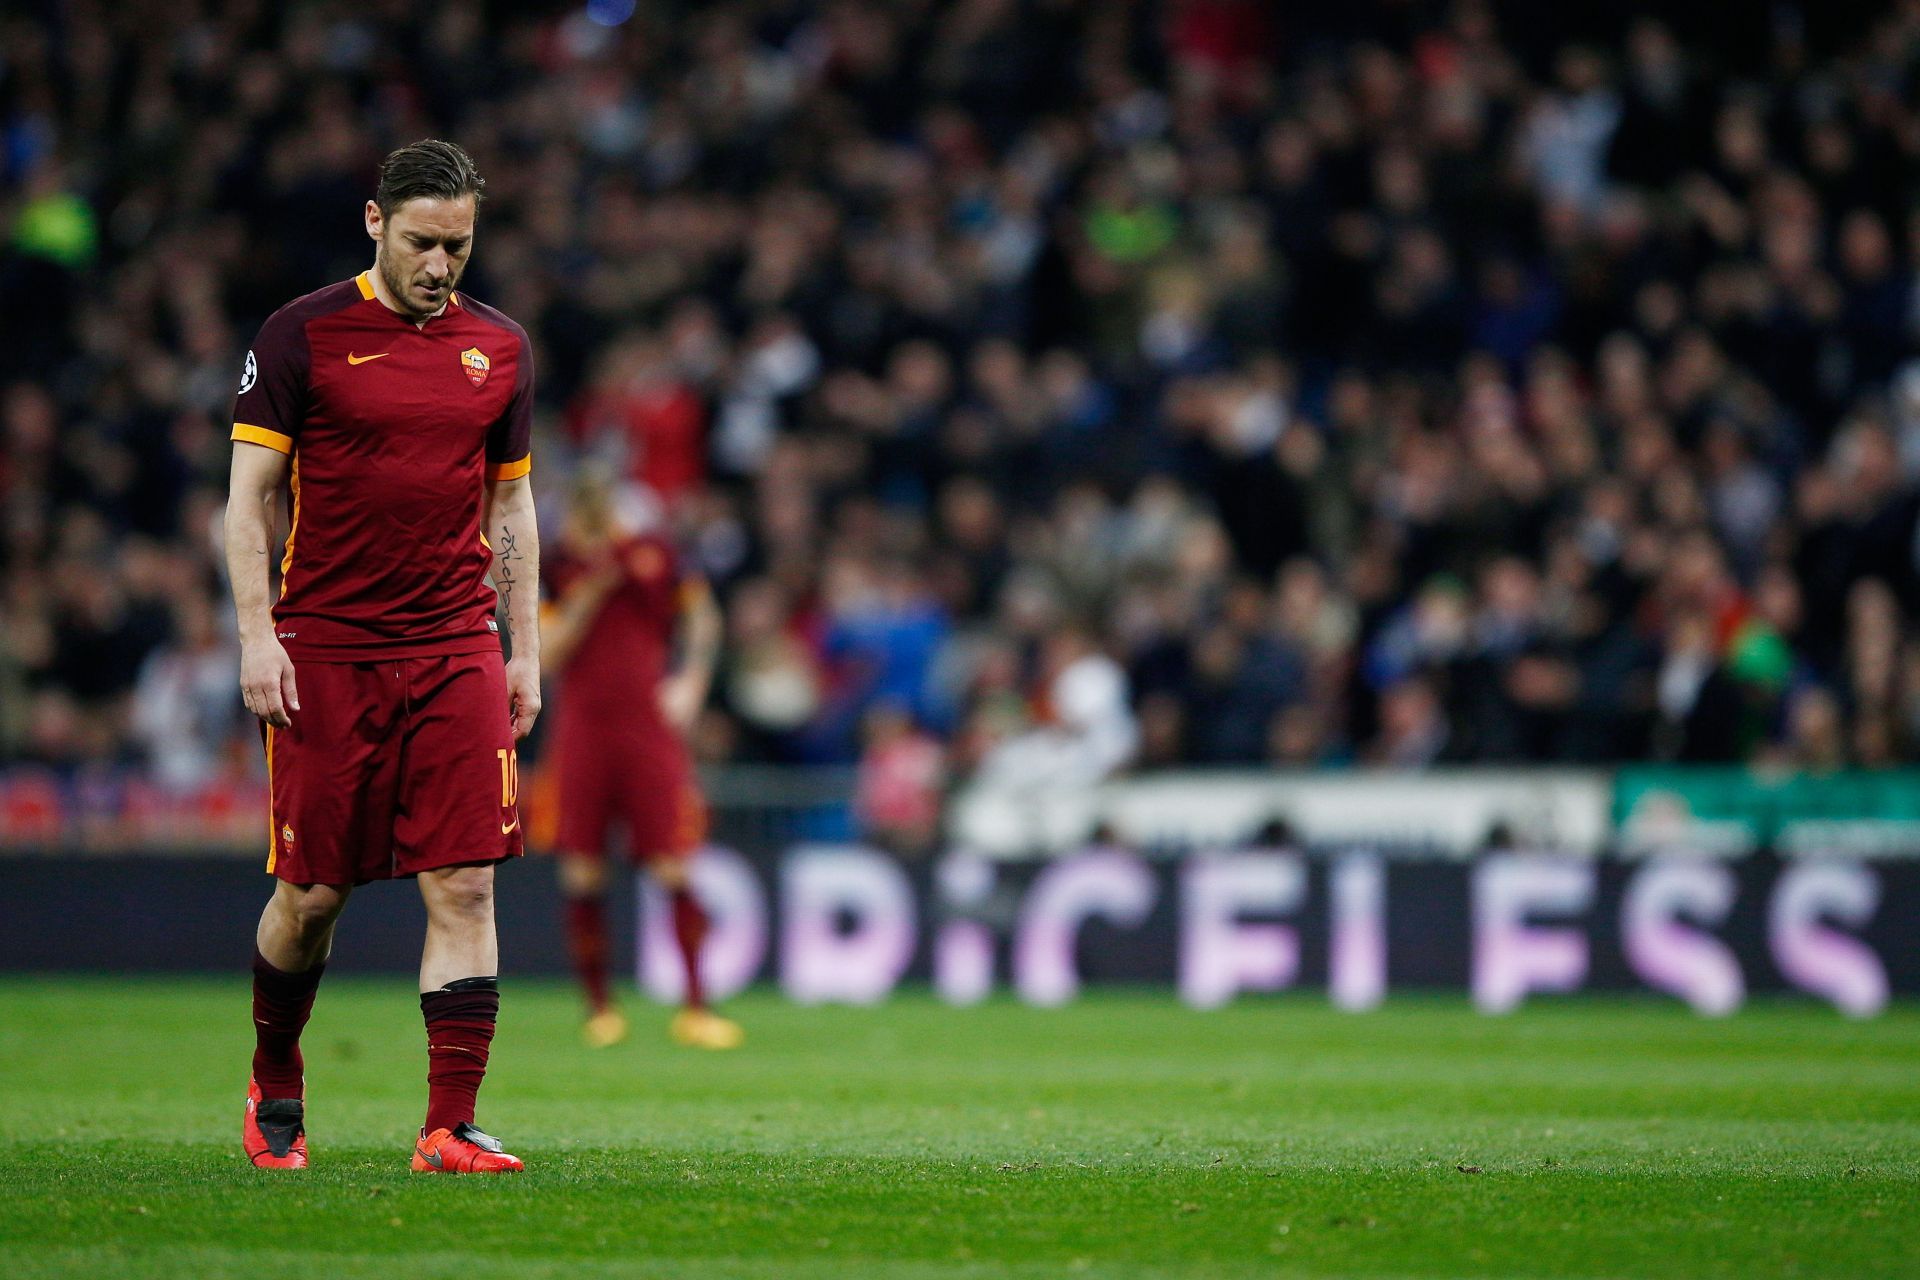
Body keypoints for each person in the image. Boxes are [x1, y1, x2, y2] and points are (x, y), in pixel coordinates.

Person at [225, 140, 540, 1174]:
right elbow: (247, 502)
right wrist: (256, 633)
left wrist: (522, 651)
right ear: (375, 222)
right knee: (312, 897)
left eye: (458, 245)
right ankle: (275, 1075)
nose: (440, 265)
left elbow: (512, 505)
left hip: (455, 644)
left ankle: (448, 1123)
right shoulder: (301, 334)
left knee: (466, 886)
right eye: (421, 242)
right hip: (328, 649)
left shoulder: (500, 348)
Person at [540, 467, 741, 1050]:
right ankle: (600, 1007)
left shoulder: (655, 554)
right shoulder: (558, 569)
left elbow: (704, 617)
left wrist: (692, 681)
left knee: (672, 862)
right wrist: (589, 596)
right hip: (582, 734)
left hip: (648, 730)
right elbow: (548, 653)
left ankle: (698, 1005)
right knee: (583, 867)